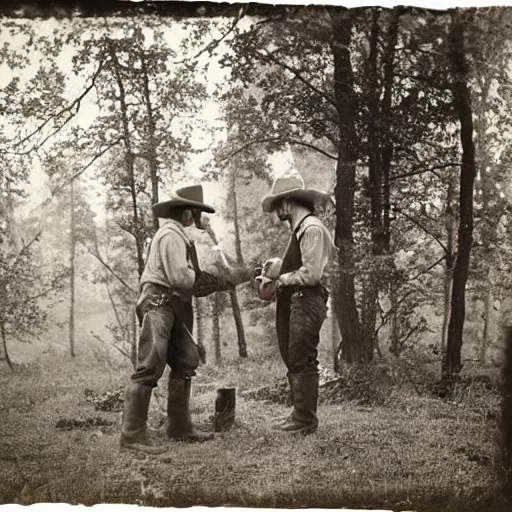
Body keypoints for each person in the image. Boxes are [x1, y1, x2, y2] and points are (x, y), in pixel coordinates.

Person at [120, 185, 216, 452]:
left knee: (186, 360)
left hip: (170, 304)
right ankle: (132, 434)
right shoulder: (171, 236)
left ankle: (179, 426)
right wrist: (210, 280)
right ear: (187, 215)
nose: (198, 223)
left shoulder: (176, 237)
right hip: (158, 303)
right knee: (150, 365)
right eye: (197, 216)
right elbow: (181, 279)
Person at [257, 168, 335, 435]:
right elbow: (303, 265)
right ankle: (298, 415)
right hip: (299, 300)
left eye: (279, 205)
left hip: (308, 299)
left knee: (302, 357)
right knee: (295, 355)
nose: (279, 212)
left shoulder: (311, 228)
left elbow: (311, 274)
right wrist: (278, 267)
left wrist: (280, 281)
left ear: (289, 203)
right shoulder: (300, 230)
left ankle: (305, 420)